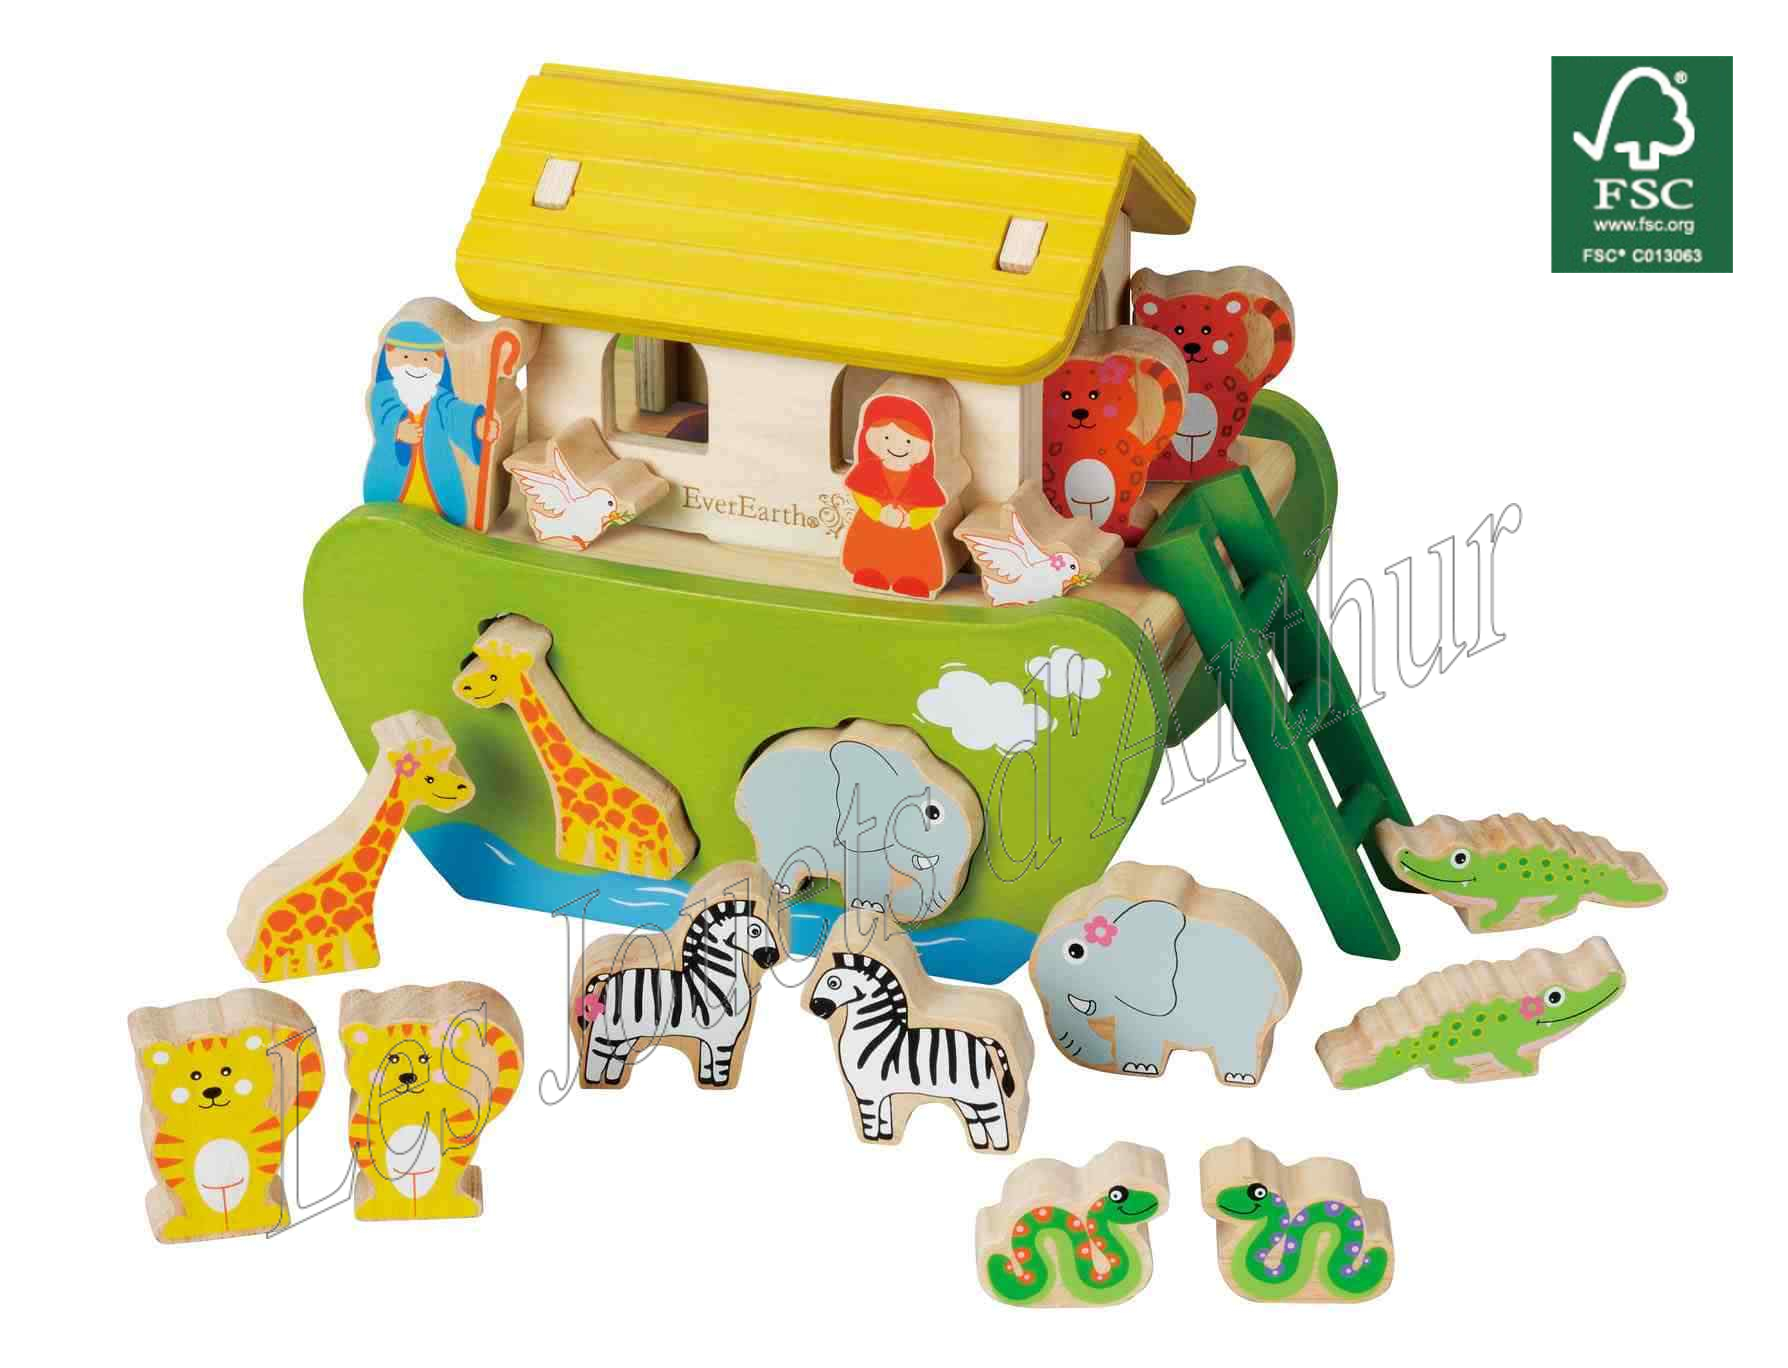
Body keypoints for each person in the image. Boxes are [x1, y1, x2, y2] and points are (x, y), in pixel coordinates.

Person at [363, 320, 499, 527]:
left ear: (441, 363)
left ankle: (441, 522)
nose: (417, 366)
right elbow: (384, 414)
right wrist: (398, 430)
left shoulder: (439, 397)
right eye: (406, 358)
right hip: (393, 474)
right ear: (389, 355)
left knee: (442, 502)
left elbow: (454, 410)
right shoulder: (384, 392)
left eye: (426, 359)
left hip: (436, 473)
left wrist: (476, 424)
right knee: (391, 498)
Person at [841, 395, 948, 597]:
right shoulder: (869, 470)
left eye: (908, 441)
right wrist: (878, 513)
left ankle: (913, 578)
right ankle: (871, 572)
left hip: (911, 533)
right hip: (873, 525)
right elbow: (860, 495)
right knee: (871, 550)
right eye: (887, 438)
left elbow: (931, 508)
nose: (898, 447)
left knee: (912, 556)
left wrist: (910, 520)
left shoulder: (922, 479)